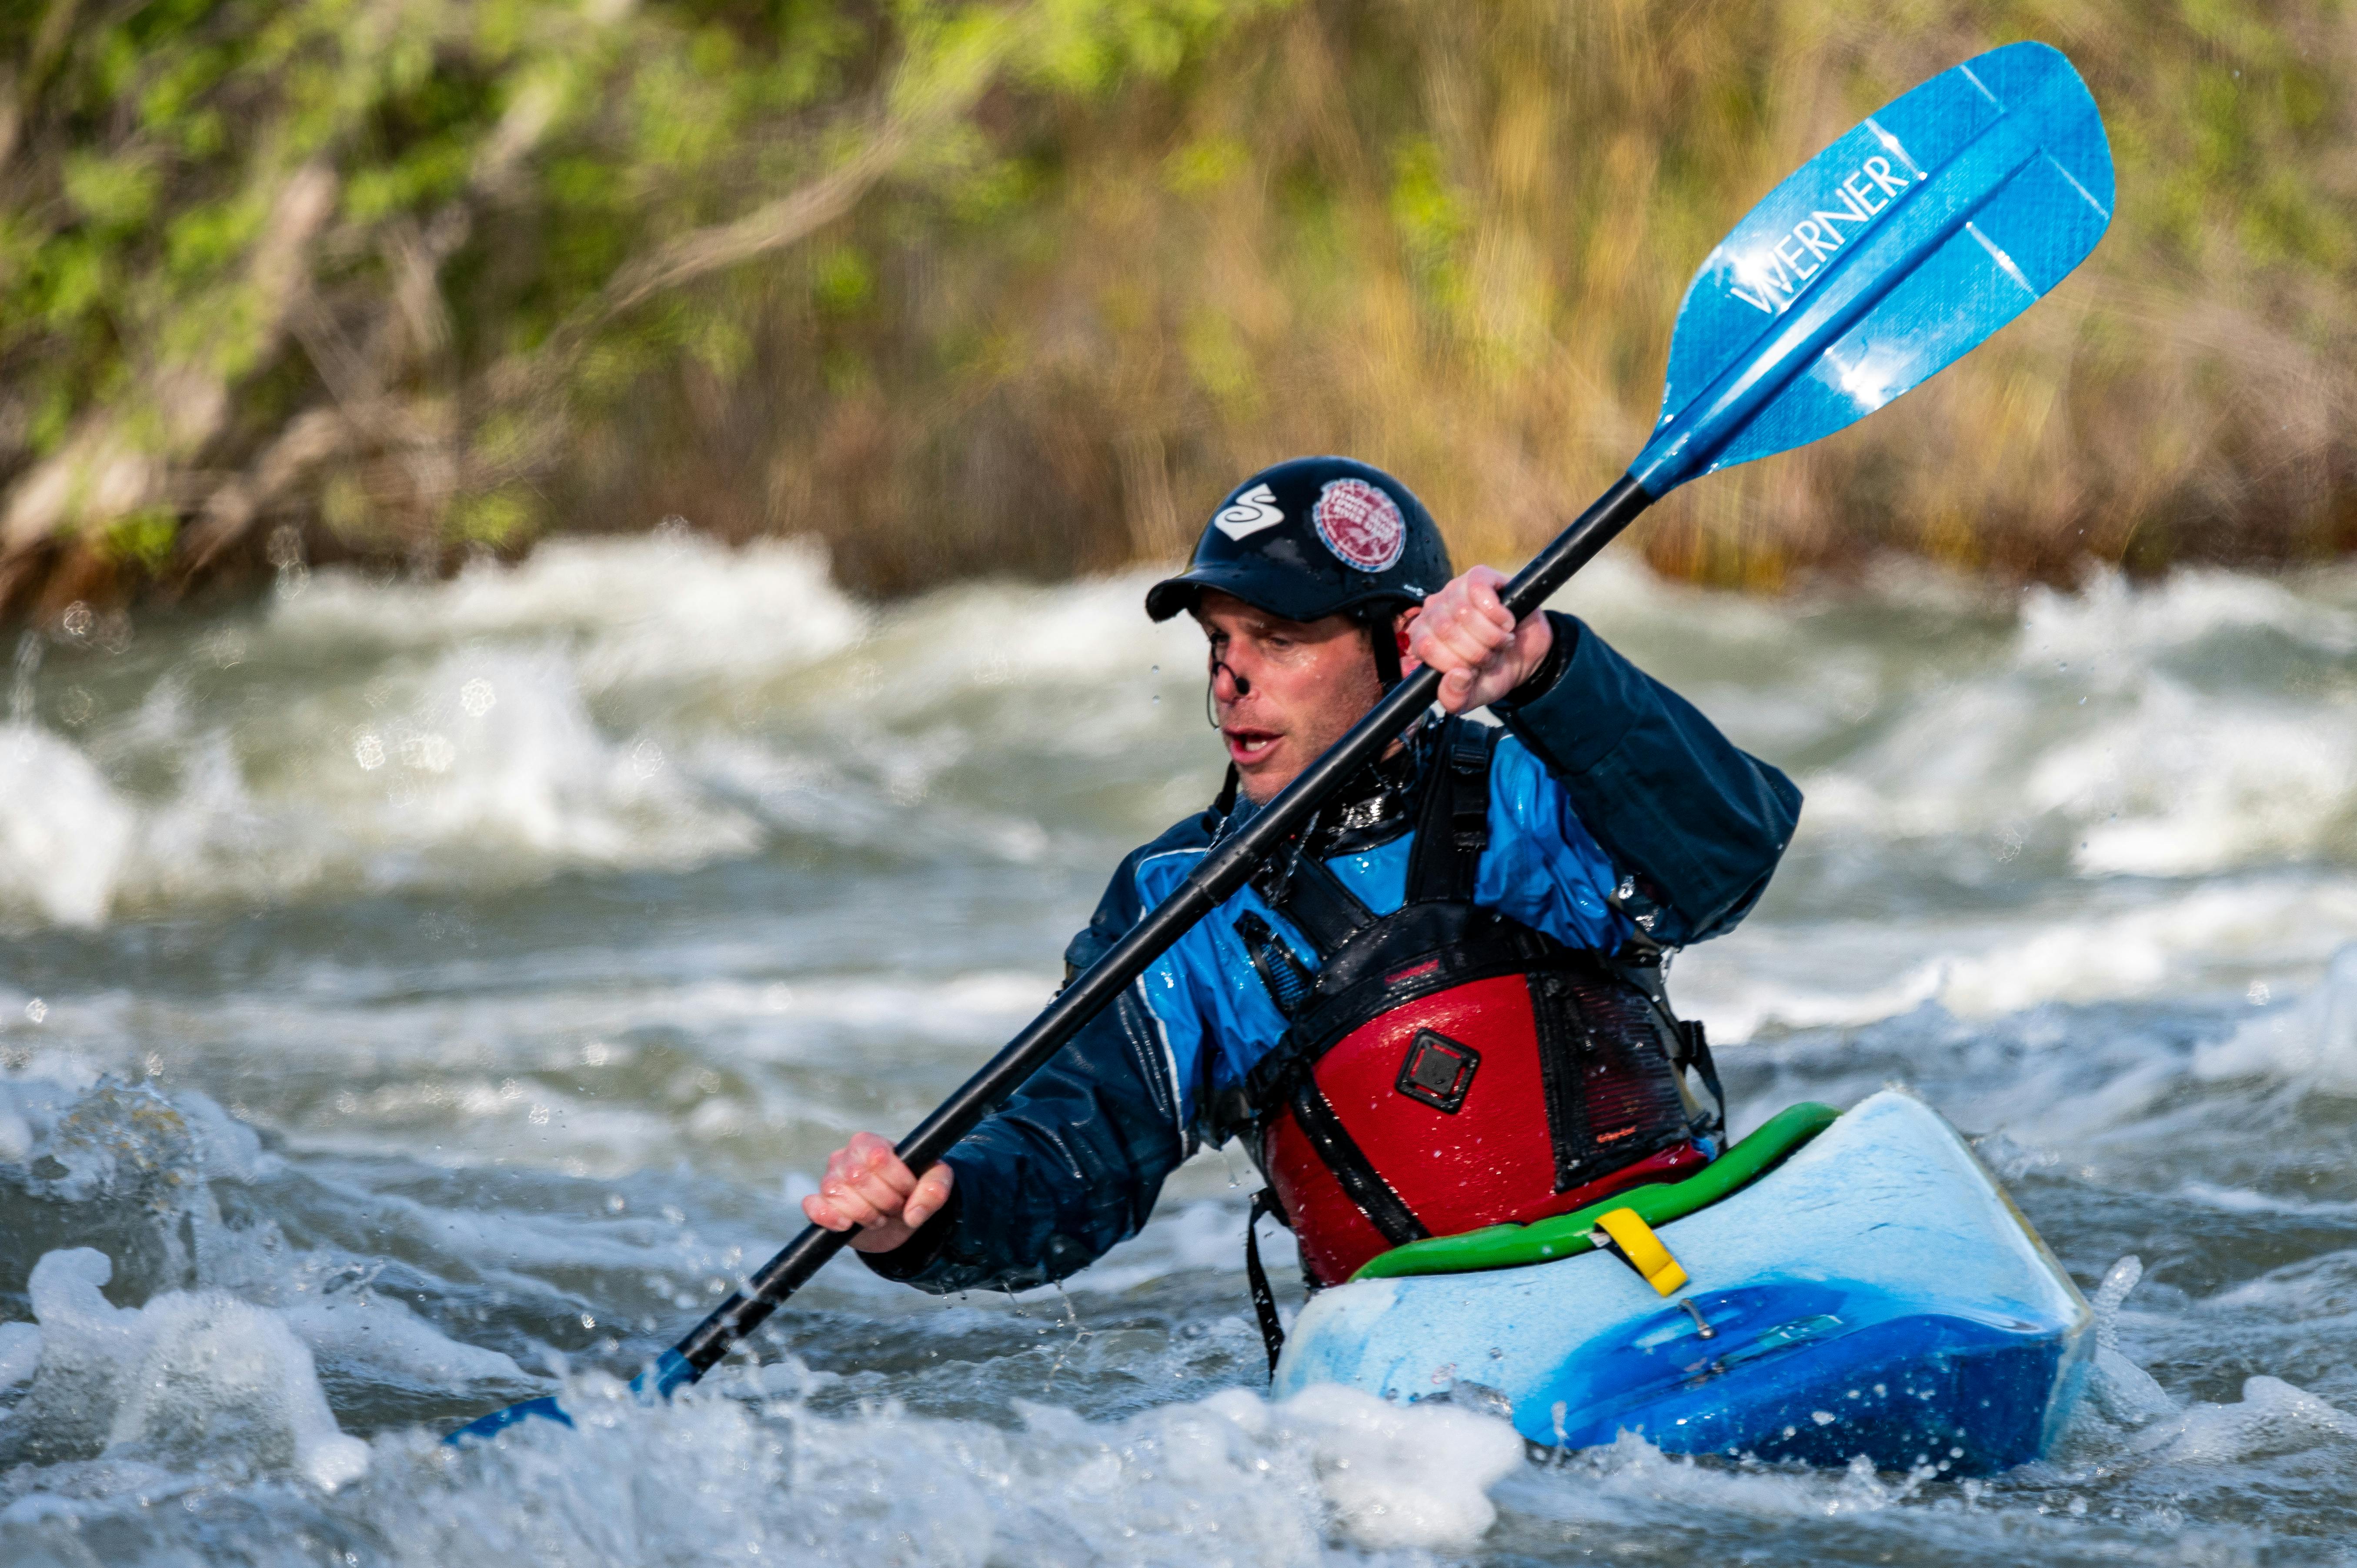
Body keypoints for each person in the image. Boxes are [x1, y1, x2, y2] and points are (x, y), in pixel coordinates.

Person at [801, 456, 1801, 1344]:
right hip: (1423, 1351)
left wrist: (1549, 673)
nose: (1231, 677)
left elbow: (1728, 858)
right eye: (1218, 640)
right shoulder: (1176, 906)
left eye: (1277, 639)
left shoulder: (1531, 786)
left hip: (1668, 1259)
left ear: (1403, 642)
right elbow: (1080, 1148)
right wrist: (934, 1216)